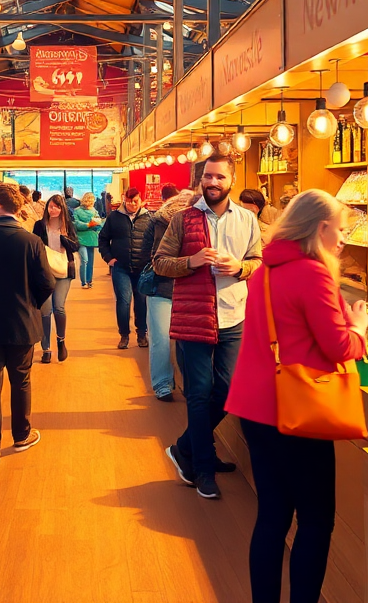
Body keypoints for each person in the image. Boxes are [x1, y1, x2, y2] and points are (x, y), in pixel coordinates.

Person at [225, 190, 368, 603]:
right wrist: (358, 327)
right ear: (320, 227)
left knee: (271, 517)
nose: (343, 238)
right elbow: (339, 347)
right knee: (316, 520)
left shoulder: (266, 268)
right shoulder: (313, 272)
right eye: (340, 230)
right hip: (299, 410)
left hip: (256, 406)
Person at [156, 154, 263, 499]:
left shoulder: (247, 219)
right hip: (195, 316)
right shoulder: (183, 219)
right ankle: (202, 467)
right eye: (207, 176)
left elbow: (258, 262)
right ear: (201, 180)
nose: (212, 182)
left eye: (219, 177)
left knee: (230, 391)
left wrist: (240, 267)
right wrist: (192, 261)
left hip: (234, 316)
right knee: (199, 394)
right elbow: (160, 263)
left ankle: (185, 447)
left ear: (231, 179)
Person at [0, 183, 55, 465]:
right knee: (21, 380)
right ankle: (21, 435)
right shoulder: (30, 241)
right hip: (22, 320)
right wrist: (31, 303)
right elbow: (47, 283)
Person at [143, 187, 195, 401]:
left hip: (179, 287)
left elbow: (147, 251)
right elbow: (157, 259)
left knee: (165, 338)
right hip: (165, 286)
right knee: (163, 338)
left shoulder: (158, 219)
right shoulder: (163, 222)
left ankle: (167, 384)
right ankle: (164, 384)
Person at [99, 187, 153, 349]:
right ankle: (124, 335)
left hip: (142, 268)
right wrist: (109, 258)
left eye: (135, 201)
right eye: (129, 202)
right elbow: (102, 239)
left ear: (140, 199)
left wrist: (152, 261)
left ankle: (142, 334)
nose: (132, 205)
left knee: (142, 302)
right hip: (120, 267)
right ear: (124, 200)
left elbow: (156, 240)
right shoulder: (114, 217)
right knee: (123, 301)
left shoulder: (149, 218)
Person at [34, 194, 80, 364]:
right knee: (45, 311)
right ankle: (46, 348)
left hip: (63, 270)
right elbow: (34, 246)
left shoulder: (67, 226)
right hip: (44, 271)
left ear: (62, 209)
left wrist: (63, 237)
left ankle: (61, 340)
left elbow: (76, 246)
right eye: (50, 206)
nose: (52, 209)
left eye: (56, 207)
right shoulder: (39, 225)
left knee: (59, 306)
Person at [73, 193, 103, 289]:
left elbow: (99, 224)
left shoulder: (93, 211)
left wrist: (95, 225)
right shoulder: (78, 211)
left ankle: (89, 281)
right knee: (85, 260)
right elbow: (76, 224)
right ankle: (84, 282)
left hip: (90, 238)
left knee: (89, 261)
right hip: (82, 239)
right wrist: (90, 225)